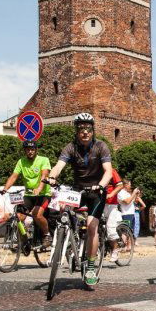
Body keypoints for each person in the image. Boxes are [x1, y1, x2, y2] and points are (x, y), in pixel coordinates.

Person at [46, 113, 113, 289]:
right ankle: (68, 236)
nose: (84, 132)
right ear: (76, 130)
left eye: (88, 129)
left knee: (92, 226)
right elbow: (59, 166)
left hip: (96, 191)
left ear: (92, 130)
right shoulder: (70, 147)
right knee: (60, 210)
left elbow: (108, 171)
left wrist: (101, 185)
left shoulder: (101, 146)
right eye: (81, 128)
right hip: (78, 190)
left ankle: (90, 267)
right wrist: (52, 177)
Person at [0, 141, 53, 249]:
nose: (30, 151)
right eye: (28, 149)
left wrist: (39, 188)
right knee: (18, 217)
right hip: (29, 195)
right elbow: (14, 176)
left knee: (37, 215)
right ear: (25, 151)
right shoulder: (21, 161)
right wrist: (4, 189)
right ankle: (24, 240)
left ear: (36, 150)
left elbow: (44, 175)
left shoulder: (44, 160)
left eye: (32, 149)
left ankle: (47, 235)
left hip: (43, 194)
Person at [102, 169, 125, 259]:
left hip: (111, 204)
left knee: (110, 228)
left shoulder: (111, 171)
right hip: (99, 203)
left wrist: (111, 194)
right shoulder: (94, 170)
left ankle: (115, 249)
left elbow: (120, 185)